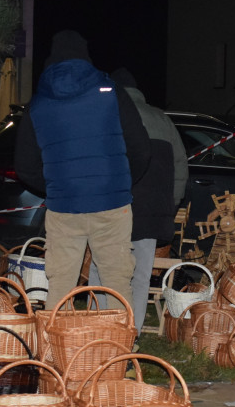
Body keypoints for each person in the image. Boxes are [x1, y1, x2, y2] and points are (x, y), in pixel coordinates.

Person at [14, 30, 150, 309]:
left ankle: (57, 350)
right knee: (116, 281)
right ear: (86, 58)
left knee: (61, 282)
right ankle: (120, 349)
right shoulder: (112, 92)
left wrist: (58, 185)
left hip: (64, 208)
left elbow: (24, 167)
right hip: (112, 204)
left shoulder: (37, 104)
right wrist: (119, 184)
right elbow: (141, 149)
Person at [88, 68, 188, 331]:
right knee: (141, 276)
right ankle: (132, 332)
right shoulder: (163, 119)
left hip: (113, 209)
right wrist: (170, 205)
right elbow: (181, 167)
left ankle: (100, 329)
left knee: (100, 269)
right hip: (152, 212)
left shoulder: (109, 115)